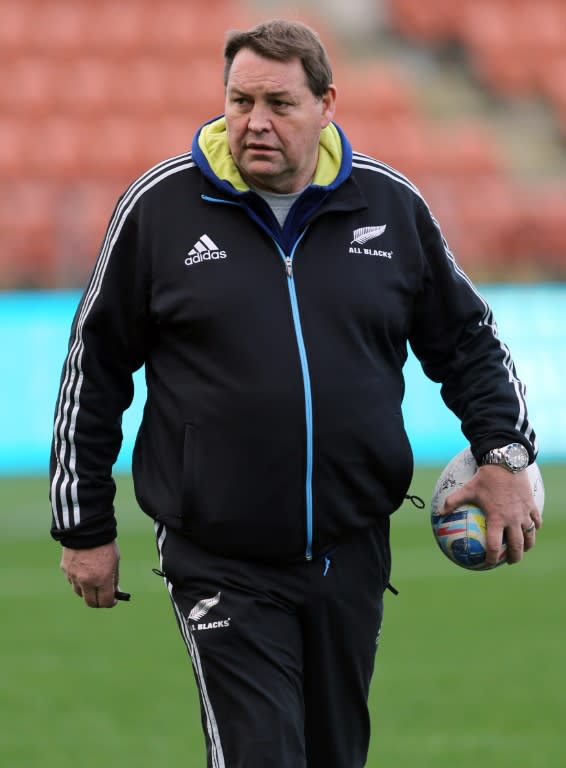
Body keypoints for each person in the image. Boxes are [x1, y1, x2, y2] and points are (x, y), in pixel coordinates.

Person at [50, 18, 541, 768]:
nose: (254, 122)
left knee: (332, 756)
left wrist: (505, 455)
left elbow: (469, 341)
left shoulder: (389, 207)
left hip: (351, 551)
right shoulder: (160, 209)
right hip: (220, 558)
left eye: (278, 103)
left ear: (325, 104)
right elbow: (95, 367)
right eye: (239, 100)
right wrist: (84, 525)